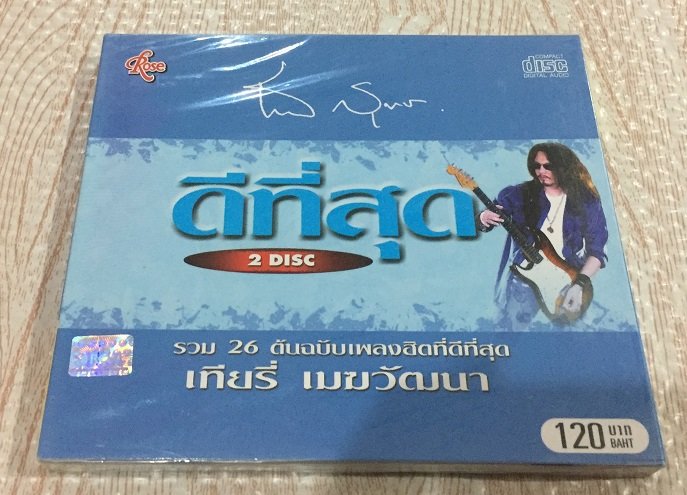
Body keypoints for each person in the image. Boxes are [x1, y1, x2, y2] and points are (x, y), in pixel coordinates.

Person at [478, 143, 608, 329]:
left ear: (564, 166)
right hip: (524, 282)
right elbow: (489, 218)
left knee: (570, 340)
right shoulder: (520, 194)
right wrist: (483, 217)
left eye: (548, 166)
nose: (541, 171)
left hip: (567, 284)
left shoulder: (586, 201)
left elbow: (598, 251)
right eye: (537, 166)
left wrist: (578, 285)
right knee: (510, 333)